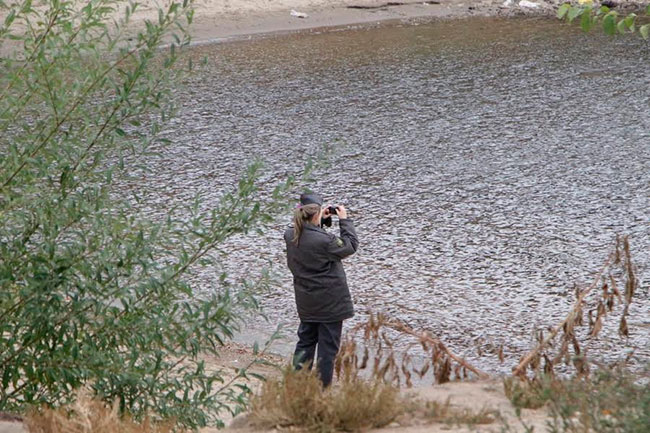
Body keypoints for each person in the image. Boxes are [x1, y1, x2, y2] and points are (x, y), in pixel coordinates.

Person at [283, 192, 359, 387]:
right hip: (330, 305)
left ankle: (298, 386)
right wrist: (344, 221)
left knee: (305, 343)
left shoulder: (290, 234)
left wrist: (320, 221)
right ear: (315, 214)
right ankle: (321, 391)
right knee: (327, 350)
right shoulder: (325, 241)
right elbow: (350, 246)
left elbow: (310, 237)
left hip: (307, 302)